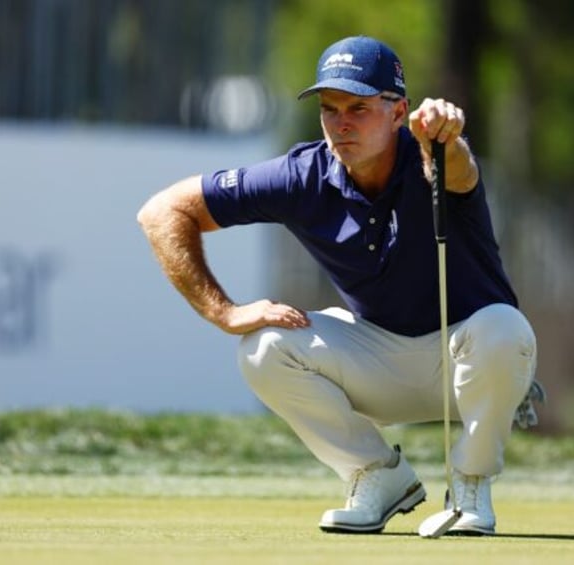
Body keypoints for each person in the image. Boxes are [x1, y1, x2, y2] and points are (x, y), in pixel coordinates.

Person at [137, 35, 539, 536]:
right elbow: (163, 211)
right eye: (330, 109)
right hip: (378, 361)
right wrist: (223, 311)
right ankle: (378, 476)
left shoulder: (434, 156)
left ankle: (471, 488)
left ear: (399, 114)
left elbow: (457, 172)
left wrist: (446, 138)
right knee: (262, 347)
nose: (341, 123)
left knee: (506, 327)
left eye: (359, 108)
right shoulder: (301, 175)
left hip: (468, 360)